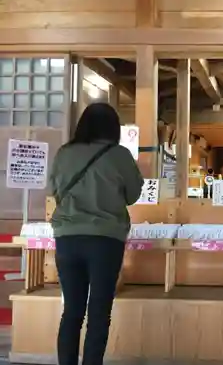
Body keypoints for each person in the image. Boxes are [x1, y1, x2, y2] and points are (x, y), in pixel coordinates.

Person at [49, 103, 144, 365]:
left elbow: (52, 189)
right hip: (105, 240)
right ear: (114, 128)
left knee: (72, 311)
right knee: (99, 312)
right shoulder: (119, 155)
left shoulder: (64, 153)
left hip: (67, 237)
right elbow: (133, 195)